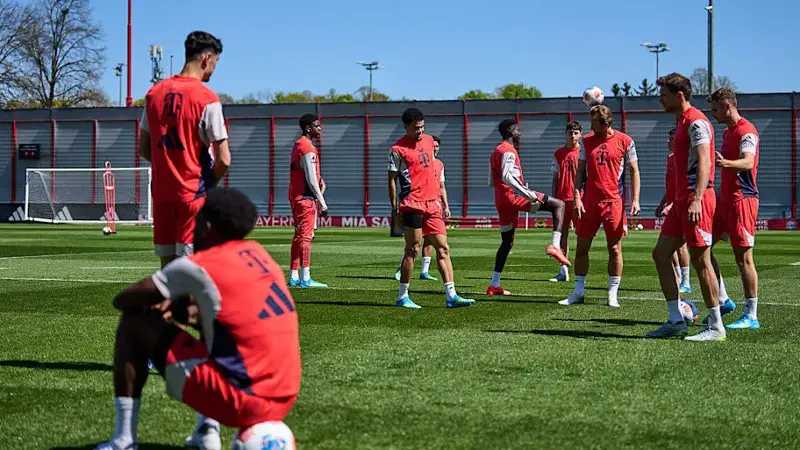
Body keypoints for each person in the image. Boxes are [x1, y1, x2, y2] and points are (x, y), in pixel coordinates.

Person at [94, 188, 299, 450]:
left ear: (209, 225)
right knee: (212, 323)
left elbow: (124, 300)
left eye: (199, 217)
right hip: (285, 396)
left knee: (135, 321)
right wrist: (185, 307)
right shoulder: (261, 256)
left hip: (242, 401)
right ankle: (206, 429)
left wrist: (164, 304)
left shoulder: (201, 264)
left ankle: (123, 441)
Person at [139, 31, 231, 270]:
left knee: (167, 270)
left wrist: (169, 166)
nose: (213, 69)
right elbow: (224, 159)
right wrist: (206, 182)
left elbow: (144, 147)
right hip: (192, 193)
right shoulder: (207, 98)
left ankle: (169, 307)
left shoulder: (153, 95)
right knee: (193, 271)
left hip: (161, 194)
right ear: (206, 58)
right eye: (215, 63)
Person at [648, 72, 724, 341]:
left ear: (679, 96)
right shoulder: (681, 122)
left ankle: (716, 327)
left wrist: (697, 198)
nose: (660, 100)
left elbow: (705, 162)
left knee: (701, 262)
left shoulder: (696, 123)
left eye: (664, 95)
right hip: (680, 202)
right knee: (660, 254)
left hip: (695, 200)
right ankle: (675, 319)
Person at [388, 108, 473, 308]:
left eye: (422, 127)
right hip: (412, 204)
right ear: (406, 127)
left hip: (432, 204)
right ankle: (402, 296)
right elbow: (391, 181)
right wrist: (394, 209)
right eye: (416, 128)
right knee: (413, 249)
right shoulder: (397, 149)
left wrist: (441, 201)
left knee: (443, 247)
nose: (420, 131)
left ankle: (451, 296)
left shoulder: (427, 141)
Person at [559, 105, 641, 308]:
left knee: (614, 248)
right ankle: (578, 292)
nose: (590, 126)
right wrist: (577, 197)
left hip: (613, 201)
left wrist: (636, 200)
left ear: (605, 124)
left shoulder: (625, 141)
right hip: (589, 203)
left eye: (594, 123)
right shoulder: (586, 141)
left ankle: (612, 293)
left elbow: (634, 170)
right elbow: (580, 172)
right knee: (582, 247)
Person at [486, 119, 570, 296]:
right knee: (559, 205)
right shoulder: (508, 150)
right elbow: (508, 177)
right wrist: (528, 195)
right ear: (510, 132)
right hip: (514, 197)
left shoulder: (496, 150)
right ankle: (555, 245)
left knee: (507, 242)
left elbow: (491, 180)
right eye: (517, 130)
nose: (520, 133)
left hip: (501, 199)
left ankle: (494, 284)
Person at [707, 87, 760, 329]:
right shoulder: (728, 132)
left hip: (743, 200)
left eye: (715, 110)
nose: (713, 114)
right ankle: (723, 299)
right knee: (703, 248)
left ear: (727, 106)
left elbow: (748, 161)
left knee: (743, 258)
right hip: (725, 200)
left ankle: (751, 315)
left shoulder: (746, 130)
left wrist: (724, 163)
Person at [393, 135, 449, 281]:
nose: (435, 148)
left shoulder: (439, 165)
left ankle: (429, 275)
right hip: (416, 203)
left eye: (437, 146)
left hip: (433, 204)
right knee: (414, 246)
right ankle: (402, 273)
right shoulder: (415, 159)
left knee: (437, 244)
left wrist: (445, 206)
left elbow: (442, 186)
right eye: (433, 146)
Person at [288, 113, 328, 288]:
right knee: (306, 237)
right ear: (308, 128)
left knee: (298, 237)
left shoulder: (298, 145)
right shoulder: (307, 147)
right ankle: (305, 278)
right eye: (316, 126)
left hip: (297, 197)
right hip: (305, 198)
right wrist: (322, 201)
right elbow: (311, 179)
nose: (320, 129)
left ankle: (294, 275)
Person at [655, 128, 693, 294]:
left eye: (672, 139)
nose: (668, 142)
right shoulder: (670, 159)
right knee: (671, 245)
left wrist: (671, 205)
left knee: (681, 245)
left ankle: (686, 281)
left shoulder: (684, 159)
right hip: (671, 206)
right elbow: (670, 186)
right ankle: (678, 277)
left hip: (681, 205)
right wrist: (663, 202)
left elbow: (682, 186)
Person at [549, 121, 583, 282]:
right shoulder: (558, 153)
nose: (573, 135)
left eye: (576, 132)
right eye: (570, 132)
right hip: (561, 201)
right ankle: (563, 271)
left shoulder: (584, 153)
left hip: (578, 200)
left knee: (583, 235)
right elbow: (555, 178)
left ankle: (581, 272)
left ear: (580, 135)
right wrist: (553, 199)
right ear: (566, 133)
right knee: (562, 236)